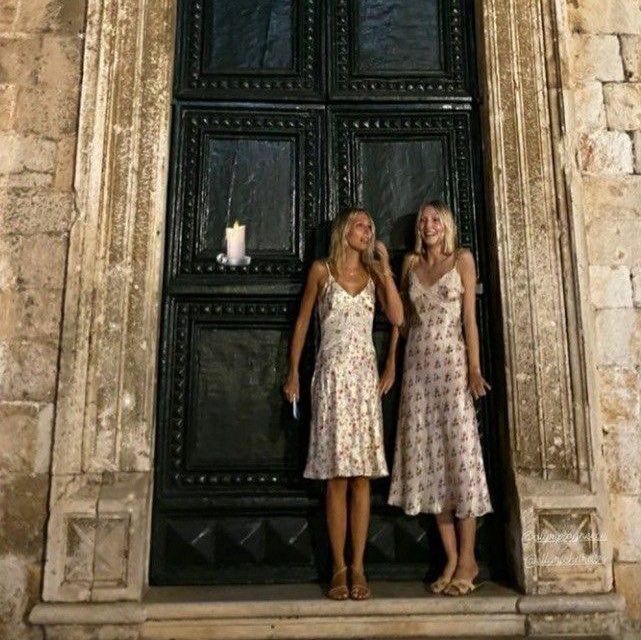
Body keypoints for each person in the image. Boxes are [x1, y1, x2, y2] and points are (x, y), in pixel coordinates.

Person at [284, 207, 403, 600]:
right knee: (336, 477)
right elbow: (302, 322)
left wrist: (384, 267)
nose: (367, 230)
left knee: (362, 477)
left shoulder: (372, 275)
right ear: (343, 231)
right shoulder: (322, 270)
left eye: (371, 225)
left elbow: (398, 317)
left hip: (363, 382)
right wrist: (293, 373)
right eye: (360, 224)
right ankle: (337, 567)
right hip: (331, 380)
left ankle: (360, 567)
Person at [386, 200, 492, 597]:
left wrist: (475, 368)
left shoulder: (461, 259)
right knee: (431, 460)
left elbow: (469, 319)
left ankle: (469, 559)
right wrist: (392, 365)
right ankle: (450, 557)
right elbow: (401, 321)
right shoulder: (411, 265)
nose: (428, 225)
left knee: (459, 457)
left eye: (434, 219)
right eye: (422, 221)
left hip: (451, 366)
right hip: (418, 369)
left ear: (446, 226)